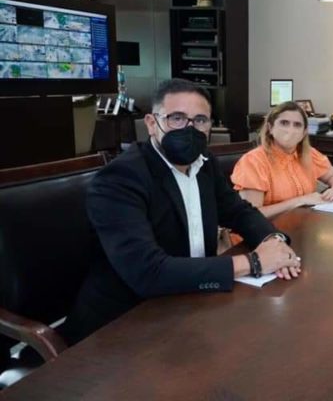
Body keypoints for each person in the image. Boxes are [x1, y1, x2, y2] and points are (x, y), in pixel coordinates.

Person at [60, 79, 301, 345]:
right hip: (123, 325)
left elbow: (239, 212)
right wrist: (254, 263)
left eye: (200, 120)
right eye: (176, 118)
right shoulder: (120, 179)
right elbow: (148, 273)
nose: (189, 128)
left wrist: (274, 243)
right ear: (152, 123)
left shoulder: (205, 164)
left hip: (192, 305)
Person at [232, 101, 333, 219]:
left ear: (304, 133)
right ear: (270, 128)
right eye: (284, 123)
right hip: (266, 229)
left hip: (301, 224)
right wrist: (299, 201)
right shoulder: (253, 161)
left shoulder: (308, 154)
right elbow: (250, 216)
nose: (290, 130)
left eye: (297, 125)